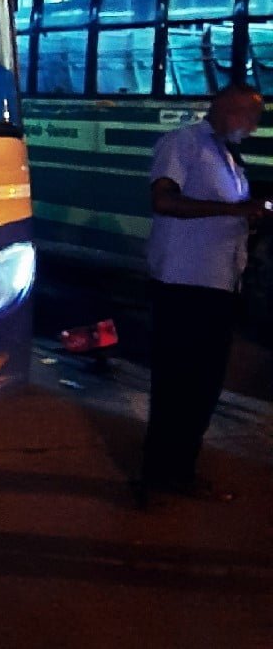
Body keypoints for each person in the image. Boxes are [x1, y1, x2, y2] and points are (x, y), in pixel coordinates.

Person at [138, 83, 266, 502]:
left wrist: (250, 216)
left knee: (203, 388)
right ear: (229, 108)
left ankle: (182, 472)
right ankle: (156, 478)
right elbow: (164, 201)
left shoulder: (228, 154)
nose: (254, 126)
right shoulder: (184, 143)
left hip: (219, 284)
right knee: (176, 385)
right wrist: (234, 211)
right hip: (183, 283)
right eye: (252, 116)